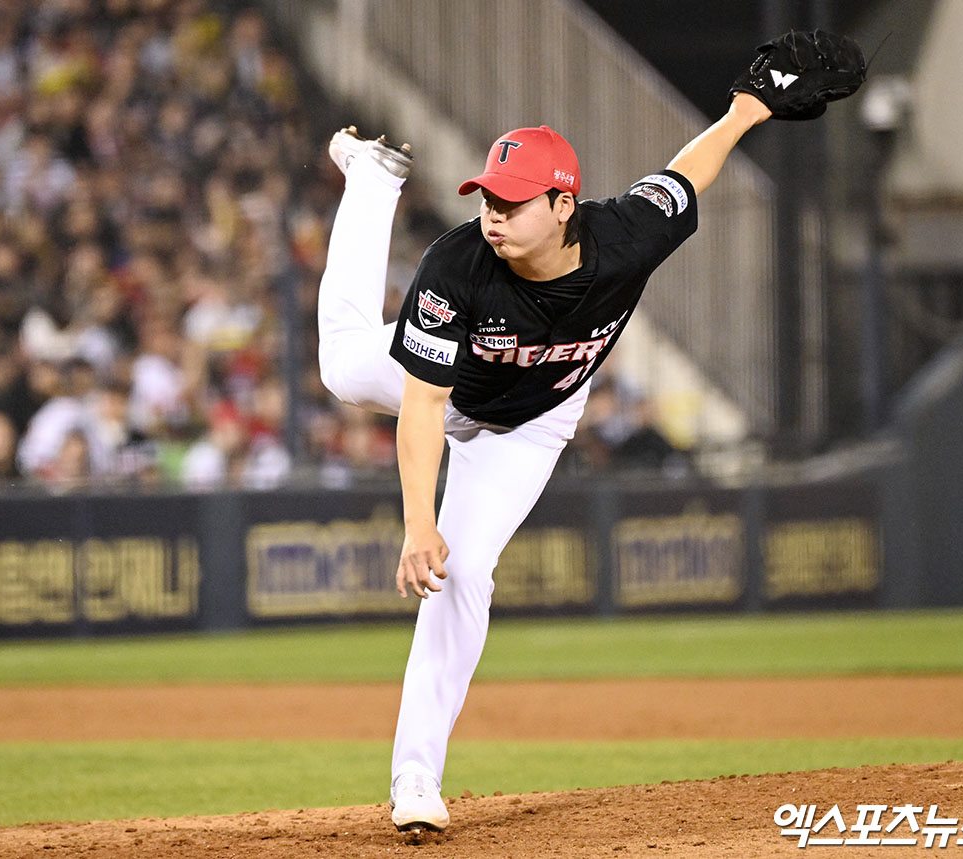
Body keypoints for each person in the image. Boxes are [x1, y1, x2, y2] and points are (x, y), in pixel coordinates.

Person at [318, 88, 776, 832]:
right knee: (342, 369)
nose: (493, 214)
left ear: (564, 205)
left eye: (512, 200)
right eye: (487, 197)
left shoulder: (626, 235)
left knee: (465, 571)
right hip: (449, 389)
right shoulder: (456, 263)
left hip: (530, 423)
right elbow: (424, 406)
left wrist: (747, 112)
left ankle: (415, 775)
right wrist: (418, 522)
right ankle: (371, 183)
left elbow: (687, 174)